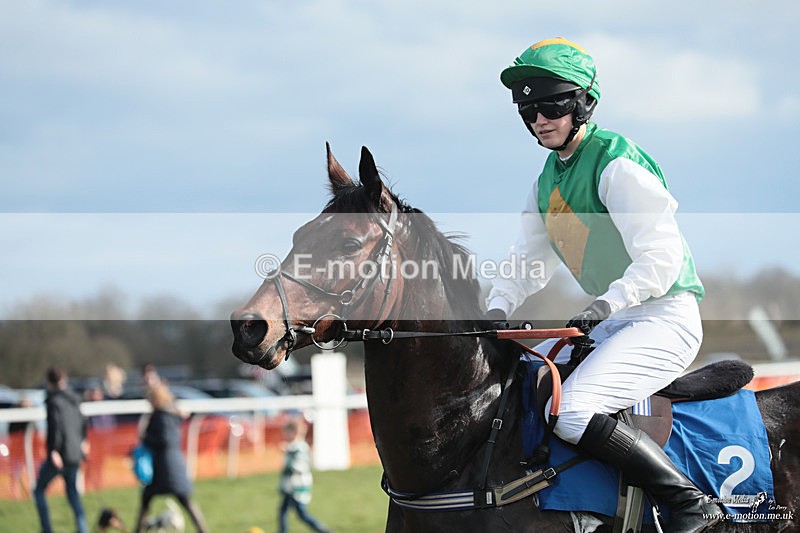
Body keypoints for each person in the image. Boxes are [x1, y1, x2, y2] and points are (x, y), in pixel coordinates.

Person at [486, 37, 719, 532]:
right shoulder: (544, 183)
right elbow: (525, 263)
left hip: (663, 319)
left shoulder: (616, 161)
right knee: (512, 377)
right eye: (527, 109)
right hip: (613, 322)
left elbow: (662, 257)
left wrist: (603, 305)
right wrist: (493, 311)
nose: (539, 119)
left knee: (571, 412)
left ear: (582, 103)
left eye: (551, 104)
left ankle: (689, 504)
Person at [133, 381, 207, 533]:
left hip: (164, 467)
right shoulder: (173, 414)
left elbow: (163, 439)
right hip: (175, 463)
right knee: (185, 501)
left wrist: (145, 438)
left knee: (147, 501)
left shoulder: (160, 416)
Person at [33, 367, 89, 533]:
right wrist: (84, 441)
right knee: (73, 493)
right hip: (75, 453)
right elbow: (82, 422)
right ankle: (82, 529)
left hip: (60, 455)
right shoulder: (75, 398)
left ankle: (47, 529)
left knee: (38, 491)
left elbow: (56, 428)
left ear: (49, 382)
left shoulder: (53, 402)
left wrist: (54, 451)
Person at [277, 418, 331, 533]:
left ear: (294, 433)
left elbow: (299, 467)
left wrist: (287, 451)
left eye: (286, 432)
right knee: (283, 511)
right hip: (290, 488)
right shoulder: (294, 447)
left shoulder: (299, 448)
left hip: (297, 487)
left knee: (302, 514)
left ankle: (324, 530)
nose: (285, 435)